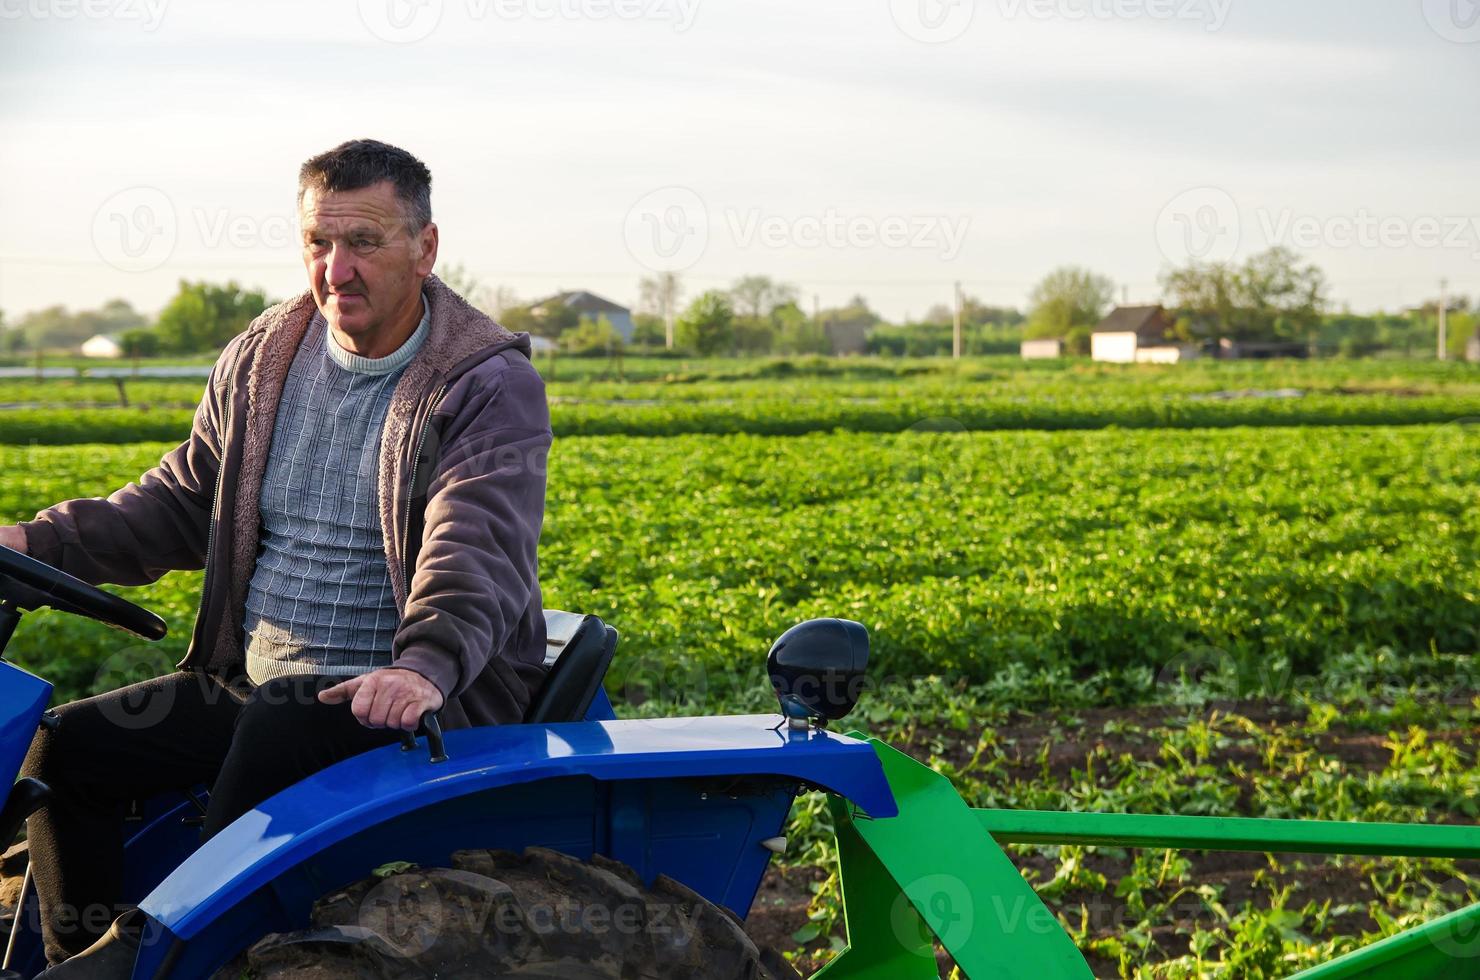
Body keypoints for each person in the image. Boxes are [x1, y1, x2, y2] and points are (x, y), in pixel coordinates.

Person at [0, 139, 551, 977]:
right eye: (318, 244)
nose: (337, 269)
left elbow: (476, 539)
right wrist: (34, 544)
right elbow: (184, 499)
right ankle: (83, 957)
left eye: (364, 242)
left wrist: (425, 665)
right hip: (254, 682)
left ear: (425, 248)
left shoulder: (481, 381)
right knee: (65, 749)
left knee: (282, 721)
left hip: (405, 702)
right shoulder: (265, 356)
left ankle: (178, 954)